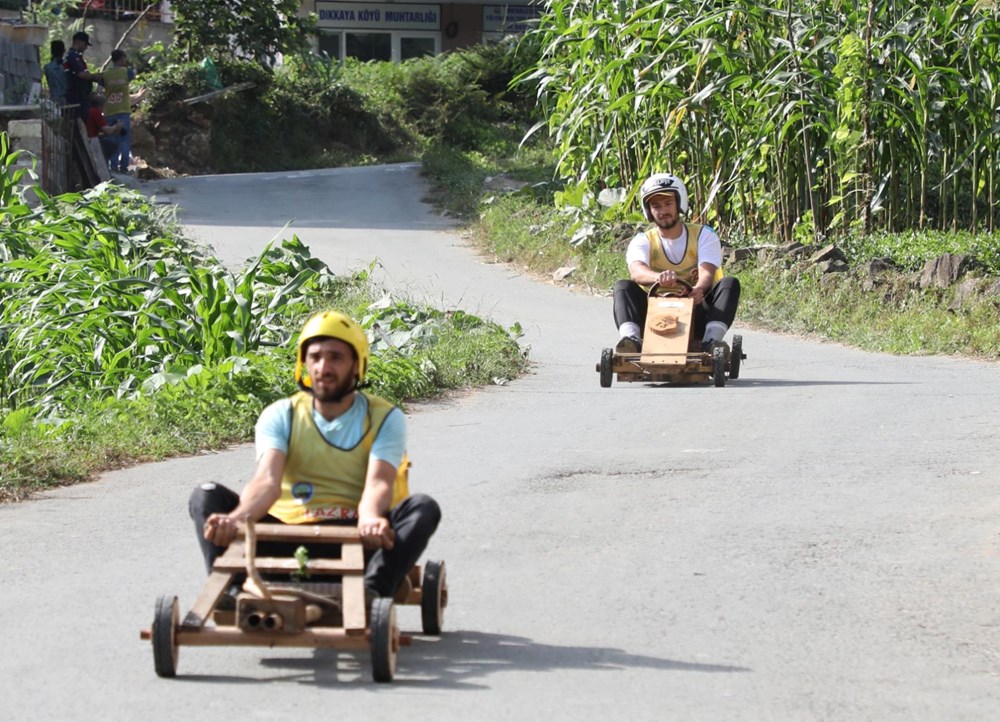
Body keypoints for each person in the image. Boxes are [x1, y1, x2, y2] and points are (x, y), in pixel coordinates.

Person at [189, 310, 441, 606]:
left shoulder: (385, 417)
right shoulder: (281, 415)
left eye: (335, 357)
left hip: (357, 539)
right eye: (316, 357)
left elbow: (379, 482)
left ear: (357, 365)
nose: (323, 367)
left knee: (423, 507)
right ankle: (231, 590)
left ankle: (372, 590)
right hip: (285, 537)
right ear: (304, 363)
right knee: (205, 495)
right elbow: (267, 481)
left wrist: (372, 517)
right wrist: (235, 519)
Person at [613, 173, 741, 354]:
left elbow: (707, 272)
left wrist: (698, 290)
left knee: (730, 284)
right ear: (649, 210)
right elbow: (637, 271)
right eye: (656, 206)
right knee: (623, 287)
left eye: (668, 204)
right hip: (654, 314)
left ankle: (711, 340)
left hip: (696, 310)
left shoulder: (704, 235)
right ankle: (631, 340)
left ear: (679, 204)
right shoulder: (643, 240)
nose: (663, 211)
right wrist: (659, 278)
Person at [102, 49, 144, 174]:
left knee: (112, 139)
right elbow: (131, 77)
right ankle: (124, 168)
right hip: (123, 111)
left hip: (109, 111)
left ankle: (113, 167)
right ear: (121, 59)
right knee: (124, 140)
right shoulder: (127, 72)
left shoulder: (105, 74)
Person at [63, 31, 102, 119]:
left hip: (82, 95)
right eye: (85, 44)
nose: (86, 48)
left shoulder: (77, 56)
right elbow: (81, 74)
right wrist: (93, 76)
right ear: (78, 42)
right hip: (77, 95)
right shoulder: (73, 56)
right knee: (80, 120)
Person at [85, 93, 123, 166]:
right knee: (111, 146)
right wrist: (116, 126)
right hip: (91, 140)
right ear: (100, 106)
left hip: (91, 137)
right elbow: (107, 131)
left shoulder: (90, 111)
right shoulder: (96, 112)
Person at [43, 40, 68, 106]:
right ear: (64, 51)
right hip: (66, 100)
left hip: (53, 100)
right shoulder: (66, 67)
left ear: (51, 52)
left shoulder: (47, 67)